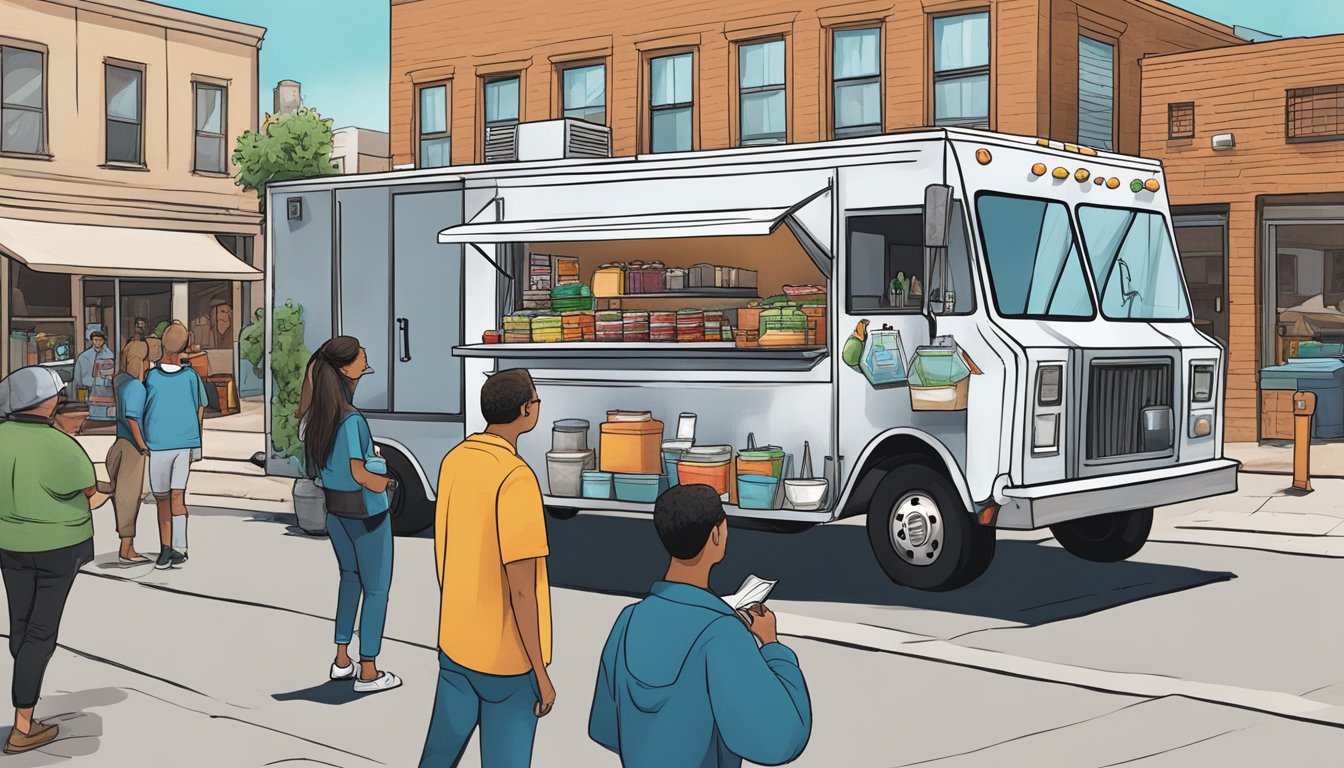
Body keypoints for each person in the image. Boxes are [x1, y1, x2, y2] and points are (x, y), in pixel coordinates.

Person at [589, 484, 812, 768]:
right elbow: (780, 740)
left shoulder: (628, 619)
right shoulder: (722, 633)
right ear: (717, 534)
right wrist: (772, 647)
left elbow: (605, 728)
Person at [420, 368, 554, 768]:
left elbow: (445, 549)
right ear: (526, 410)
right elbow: (522, 590)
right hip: (507, 664)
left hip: (456, 645)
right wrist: (540, 672)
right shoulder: (516, 478)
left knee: (438, 758)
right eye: (536, 399)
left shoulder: (455, 460)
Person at [0, 366, 108, 754]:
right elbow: (91, 495)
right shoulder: (59, 445)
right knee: (41, 634)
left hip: (9, 545)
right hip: (57, 547)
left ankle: (24, 691)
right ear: (44, 403)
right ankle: (22, 726)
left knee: (22, 626)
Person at [299, 336, 400, 694]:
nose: (366, 356)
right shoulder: (352, 419)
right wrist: (386, 482)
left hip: (336, 513)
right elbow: (360, 473)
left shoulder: (317, 417)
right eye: (361, 355)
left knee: (349, 580)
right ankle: (369, 669)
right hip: (367, 515)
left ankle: (341, 659)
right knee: (376, 590)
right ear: (346, 368)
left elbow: (316, 470)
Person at [142, 322, 207, 570]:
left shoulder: (152, 377)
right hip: (184, 443)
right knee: (177, 497)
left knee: (162, 500)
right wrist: (197, 437)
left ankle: (166, 548)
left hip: (158, 444)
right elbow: (200, 407)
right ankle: (179, 547)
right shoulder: (191, 377)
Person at [105, 341, 152, 564]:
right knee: (129, 499)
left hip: (119, 444)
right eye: (146, 359)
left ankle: (127, 546)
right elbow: (133, 418)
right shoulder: (136, 387)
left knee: (121, 496)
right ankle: (127, 549)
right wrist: (143, 445)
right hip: (132, 448)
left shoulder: (120, 382)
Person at [69, 329, 114, 402]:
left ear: (103, 341)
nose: (98, 342)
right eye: (95, 340)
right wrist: (75, 398)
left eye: (100, 340)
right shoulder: (84, 357)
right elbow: (77, 378)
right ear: (92, 341)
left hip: (104, 391)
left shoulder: (109, 355)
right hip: (87, 391)